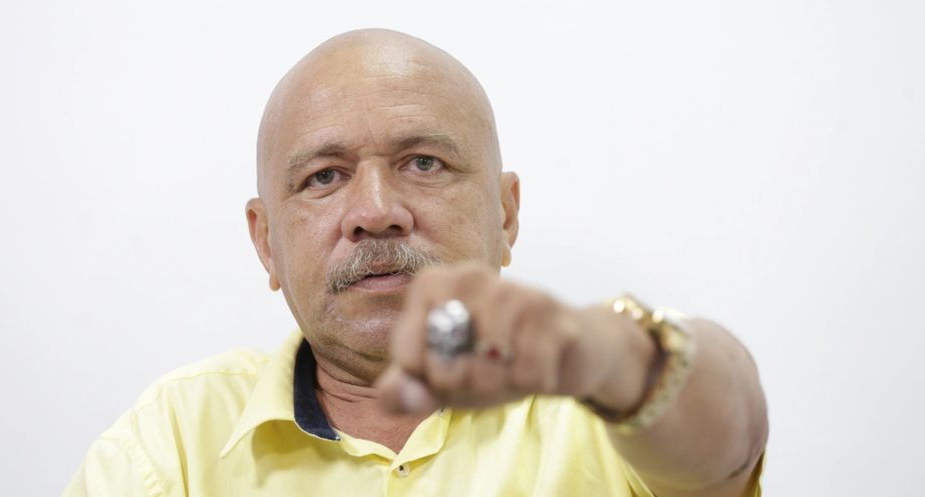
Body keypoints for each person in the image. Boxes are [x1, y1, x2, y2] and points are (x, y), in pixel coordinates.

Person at [64, 29, 768, 497]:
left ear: (505, 215)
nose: (375, 211)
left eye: (423, 162)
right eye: (323, 177)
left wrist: (617, 358)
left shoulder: (603, 402)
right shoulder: (171, 446)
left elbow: (732, 443)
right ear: (265, 241)